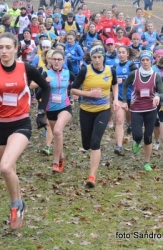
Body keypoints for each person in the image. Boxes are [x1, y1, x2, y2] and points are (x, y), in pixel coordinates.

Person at [0, 33, 50, 230]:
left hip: (20, 124)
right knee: (10, 170)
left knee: (6, 167)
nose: (4, 51)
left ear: (16, 48)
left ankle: (15, 205)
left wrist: (42, 111)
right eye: (1, 47)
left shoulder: (26, 68)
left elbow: (46, 87)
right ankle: (19, 202)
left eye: (8, 47)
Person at [70, 45, 118, 187]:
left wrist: (115, 99)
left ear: (104, 57)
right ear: (91, 58)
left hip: (103, 110)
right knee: (86, 144)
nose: (97, 60)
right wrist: (88, 94)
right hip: (86, 110)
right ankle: (89, 153)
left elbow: (114, 84)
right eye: (94, 57)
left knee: (95, 142)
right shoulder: (85, 70)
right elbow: (73, 89)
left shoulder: (111, 71)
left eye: (99, 57)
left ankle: (92, 176)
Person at [121, 50, 163, 171]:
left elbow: (162, 92)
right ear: (140, 62)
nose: (145, 62)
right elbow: (125, 85)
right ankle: (136, 141)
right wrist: (125, 100)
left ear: (151, 62)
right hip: (136, 109)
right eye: (143, 60)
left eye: (147, 60)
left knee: (148, 137)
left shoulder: (156, 76)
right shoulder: (134, 74)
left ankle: (146, 162)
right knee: (138, 135)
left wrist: (157, 96)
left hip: (151, 109)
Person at [43, 50, 76, 171]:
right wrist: (43, 82)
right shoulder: (46, 73)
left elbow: (78, 82)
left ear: (63, 61)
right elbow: (32, 85)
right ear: (50, 60)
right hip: (50, 109)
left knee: (57, 131)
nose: (56, 62)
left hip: (65, 107)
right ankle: (61, 155)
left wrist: (75, 92)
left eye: (59, 59)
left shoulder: (68, 73)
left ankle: (56, 162)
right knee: (57, 135)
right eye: (54, 59)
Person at [114, 46, 138, 156]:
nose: (121, 54)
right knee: (119, 121)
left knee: (130, 120)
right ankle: (119, 146)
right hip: (119, 98)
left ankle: (131, 127)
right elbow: (112, 83)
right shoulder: (115, 67)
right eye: (119, 52)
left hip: (131, 98)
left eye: (123, 52)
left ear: (127, 54)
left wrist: (123, 80)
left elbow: (136, 78)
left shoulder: (131, 65)